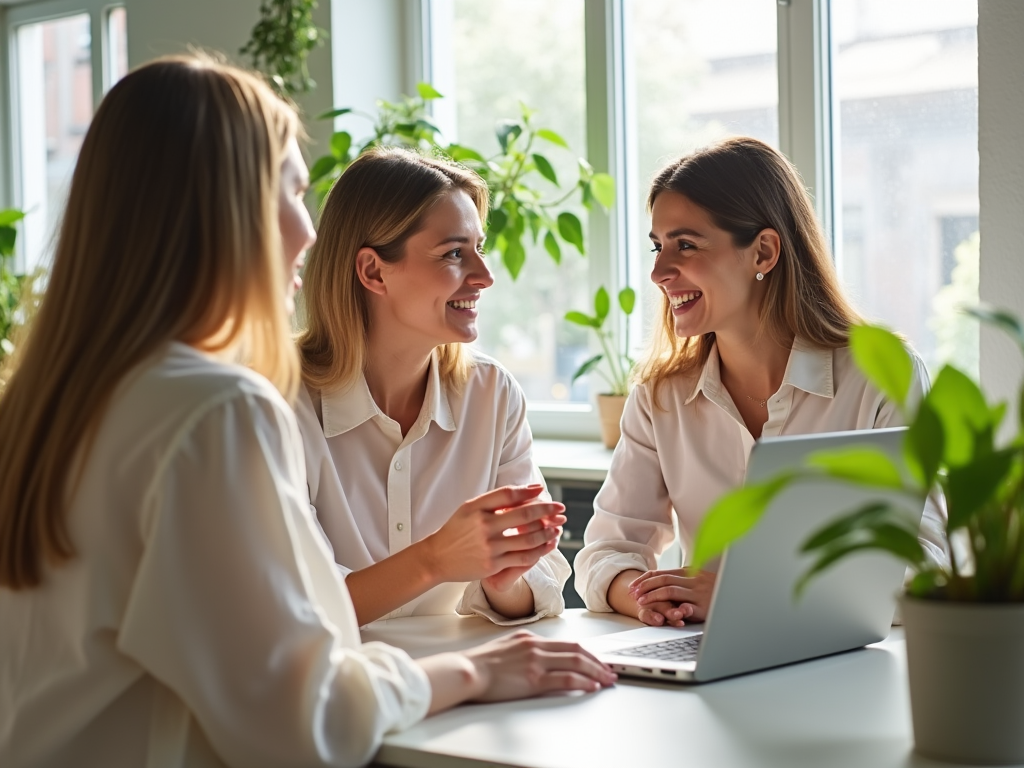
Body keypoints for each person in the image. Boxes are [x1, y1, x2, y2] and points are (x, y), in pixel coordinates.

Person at [0, 56, 615, 768]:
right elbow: (305, 720)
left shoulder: (44, 405)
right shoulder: (215, 409)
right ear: (226, 210)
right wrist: (476, 672)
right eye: (293, 193)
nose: (309, 231)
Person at [573, 137, 948, 628]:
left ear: (764, 252)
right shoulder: (660, 397)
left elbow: (924, 565)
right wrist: (646, 596)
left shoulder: (881, 376)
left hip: (840, 661)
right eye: (658, 246)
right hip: (703, 657)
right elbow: (607, 550)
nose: (660, 271)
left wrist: (743, 595)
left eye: (685, 245)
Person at [295, 147, 571, 627]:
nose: (484, 277)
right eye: (453, 254)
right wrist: (437, 559)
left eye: (479, 249)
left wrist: (503, 578)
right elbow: (295, 605)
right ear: (373, 271)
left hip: (470, 683)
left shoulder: (492, 395)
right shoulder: (279, 401)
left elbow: (542, 582)